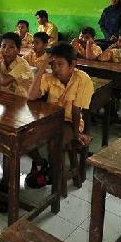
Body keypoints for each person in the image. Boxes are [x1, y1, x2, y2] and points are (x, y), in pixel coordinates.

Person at [26, 42, 94, 186]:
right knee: (25, 136)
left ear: (72, 64)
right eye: (53, 64)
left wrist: (76, 135)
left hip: (69, 122)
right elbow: (31, 96)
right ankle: (41, 163)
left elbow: (76, 110)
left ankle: (53, 176)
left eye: (60, 64)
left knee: (55, 142)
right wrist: (42, 67)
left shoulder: (83, 79)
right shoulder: (49, 77)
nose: (55, 69)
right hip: (49, 120)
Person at [0, 32, 33, 98]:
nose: (6, 50)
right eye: (3, 46)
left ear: (18, 50)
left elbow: (4, 81)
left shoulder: (22, 65)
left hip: (21, 101)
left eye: (11, 47)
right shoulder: (0, 62)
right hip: (4, 98)